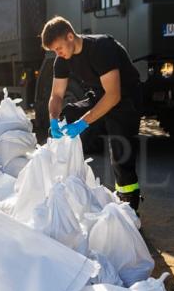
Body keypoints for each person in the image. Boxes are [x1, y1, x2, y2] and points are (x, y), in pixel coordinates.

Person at [41, 16, 142, 211]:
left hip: (125, 98)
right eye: (54, 51)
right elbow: (56, 95)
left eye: (58, 48)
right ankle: (60, 187)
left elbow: (113, 96)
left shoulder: (101, 48)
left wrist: (82, 123)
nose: (57, 54)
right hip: (99, 93)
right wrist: (54, 120)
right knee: (66, 115)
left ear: (70, 36)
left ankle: (129, 206)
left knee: (121, 154)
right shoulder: (62, 59)